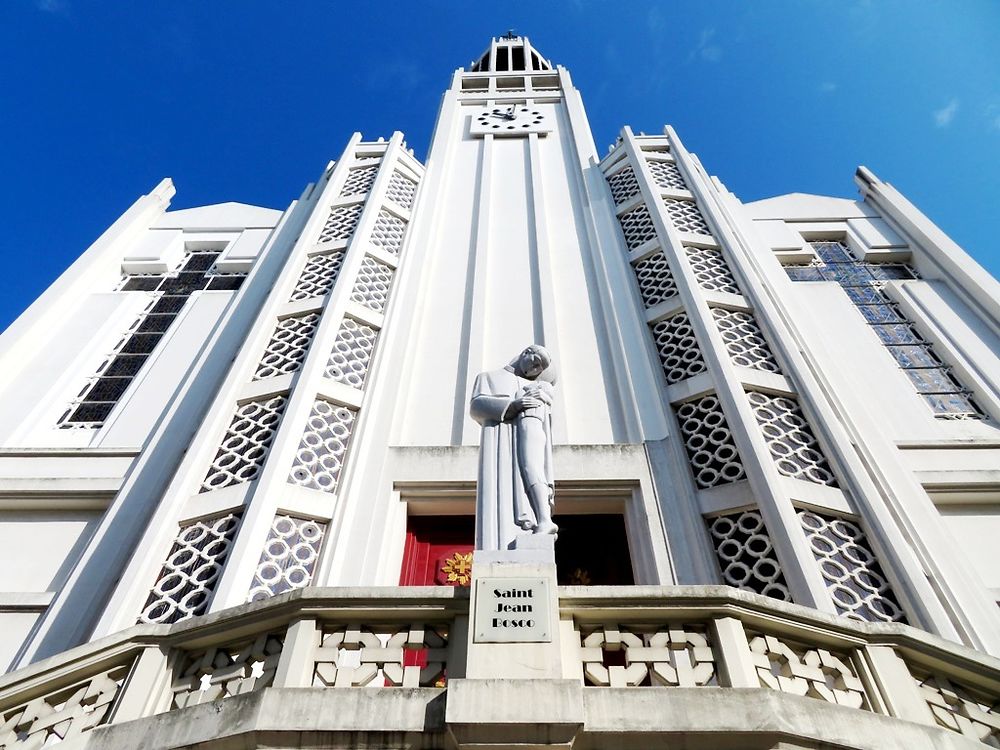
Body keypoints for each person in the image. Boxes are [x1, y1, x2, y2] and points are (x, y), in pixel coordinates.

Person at [469, 345, 557, 551]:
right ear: (526, 353)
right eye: (536, 362)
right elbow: (477, 406)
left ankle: (542, 520)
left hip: (530, 432)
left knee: (532, 469)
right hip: (499, 443)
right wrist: (513, 406)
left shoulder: (539, 386)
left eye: (540, 368)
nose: (537, 370)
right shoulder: (488, 377)